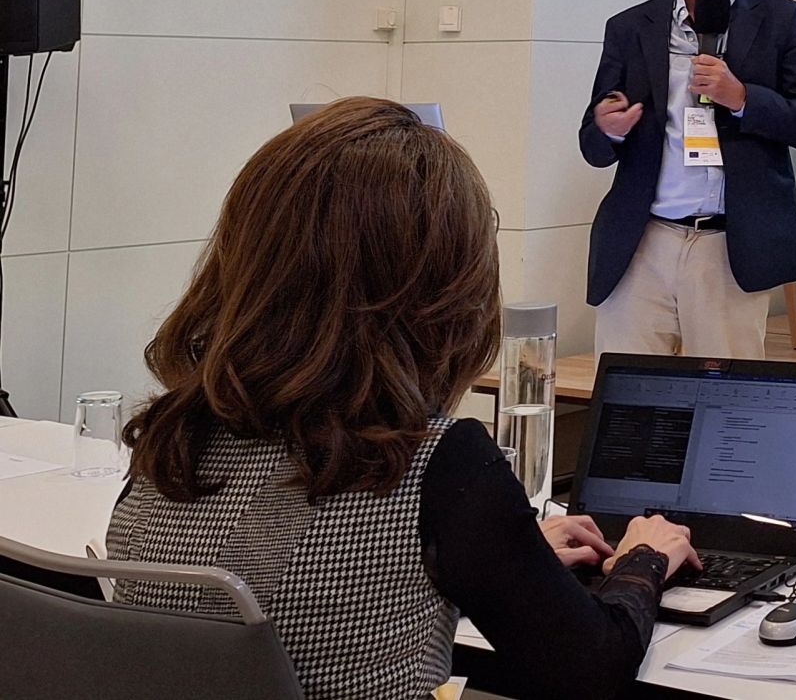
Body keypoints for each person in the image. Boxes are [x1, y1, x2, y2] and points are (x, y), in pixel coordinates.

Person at [110, 98, 699, 700]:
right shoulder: (436, 461)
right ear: (445, 285)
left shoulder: (173, 436)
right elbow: (592, 673)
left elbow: (301, 579)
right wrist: (643, 560)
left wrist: (508, 558)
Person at [579, 0, 796, 357]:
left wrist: (742, 98)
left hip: (730, 245)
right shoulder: (630, 27)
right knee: (628, 389)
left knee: (723, 392)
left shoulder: (780, 19)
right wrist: (609, 128)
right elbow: (592, 145)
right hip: (643, 241)